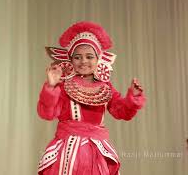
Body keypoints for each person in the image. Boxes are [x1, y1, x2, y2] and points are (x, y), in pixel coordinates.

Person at [37, 21, 146, 175]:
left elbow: (120, 111)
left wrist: (133, 97)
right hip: (68, 153)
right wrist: (51, 87)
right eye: (78, 57)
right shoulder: (63, 85)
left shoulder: (105, 86)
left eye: (89, 57)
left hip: (96, 153)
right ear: (70, 60)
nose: (84, 61)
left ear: (98, 59)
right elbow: (47, 114)